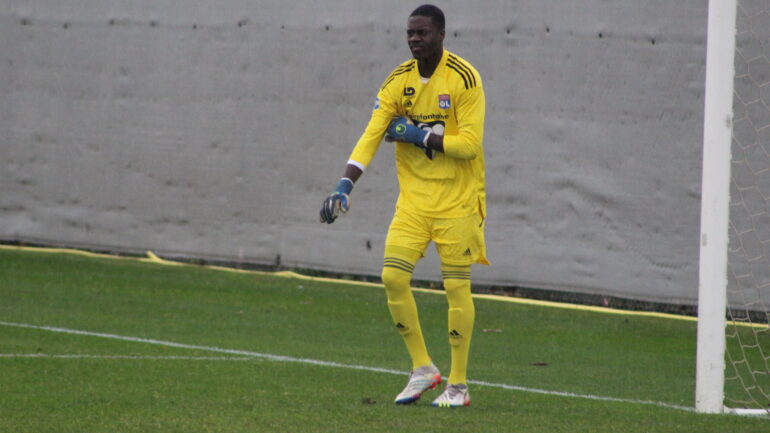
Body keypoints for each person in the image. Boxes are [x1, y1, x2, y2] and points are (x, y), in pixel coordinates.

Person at [319, 4, 487, 408]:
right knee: (393, 279)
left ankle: (459, 386)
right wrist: (345, 185)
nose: (414, 39)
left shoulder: (464, 78)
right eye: (410, 33)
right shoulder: (398, 81)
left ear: (441, 35)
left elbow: (469, 146)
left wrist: (417, 135)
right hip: (414, 202)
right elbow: (372, 134)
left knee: (455, 286)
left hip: (458, 201)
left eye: (422, 33)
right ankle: (423, 369)